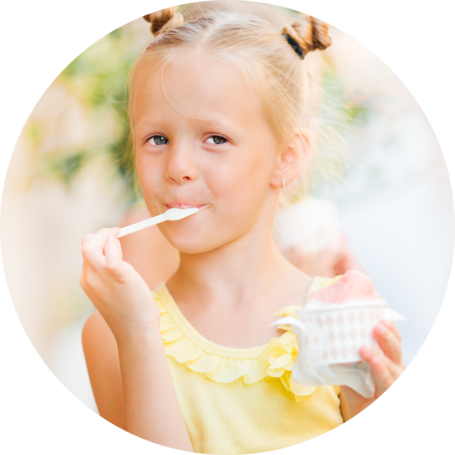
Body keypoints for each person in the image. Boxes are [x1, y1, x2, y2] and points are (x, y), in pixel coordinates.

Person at [80, 3, 404, 453]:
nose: (177, 167)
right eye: (157, 139)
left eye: (216, 138)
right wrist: (137, 332)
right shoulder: (112, 333)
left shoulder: (337, 322)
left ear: (286, 157)